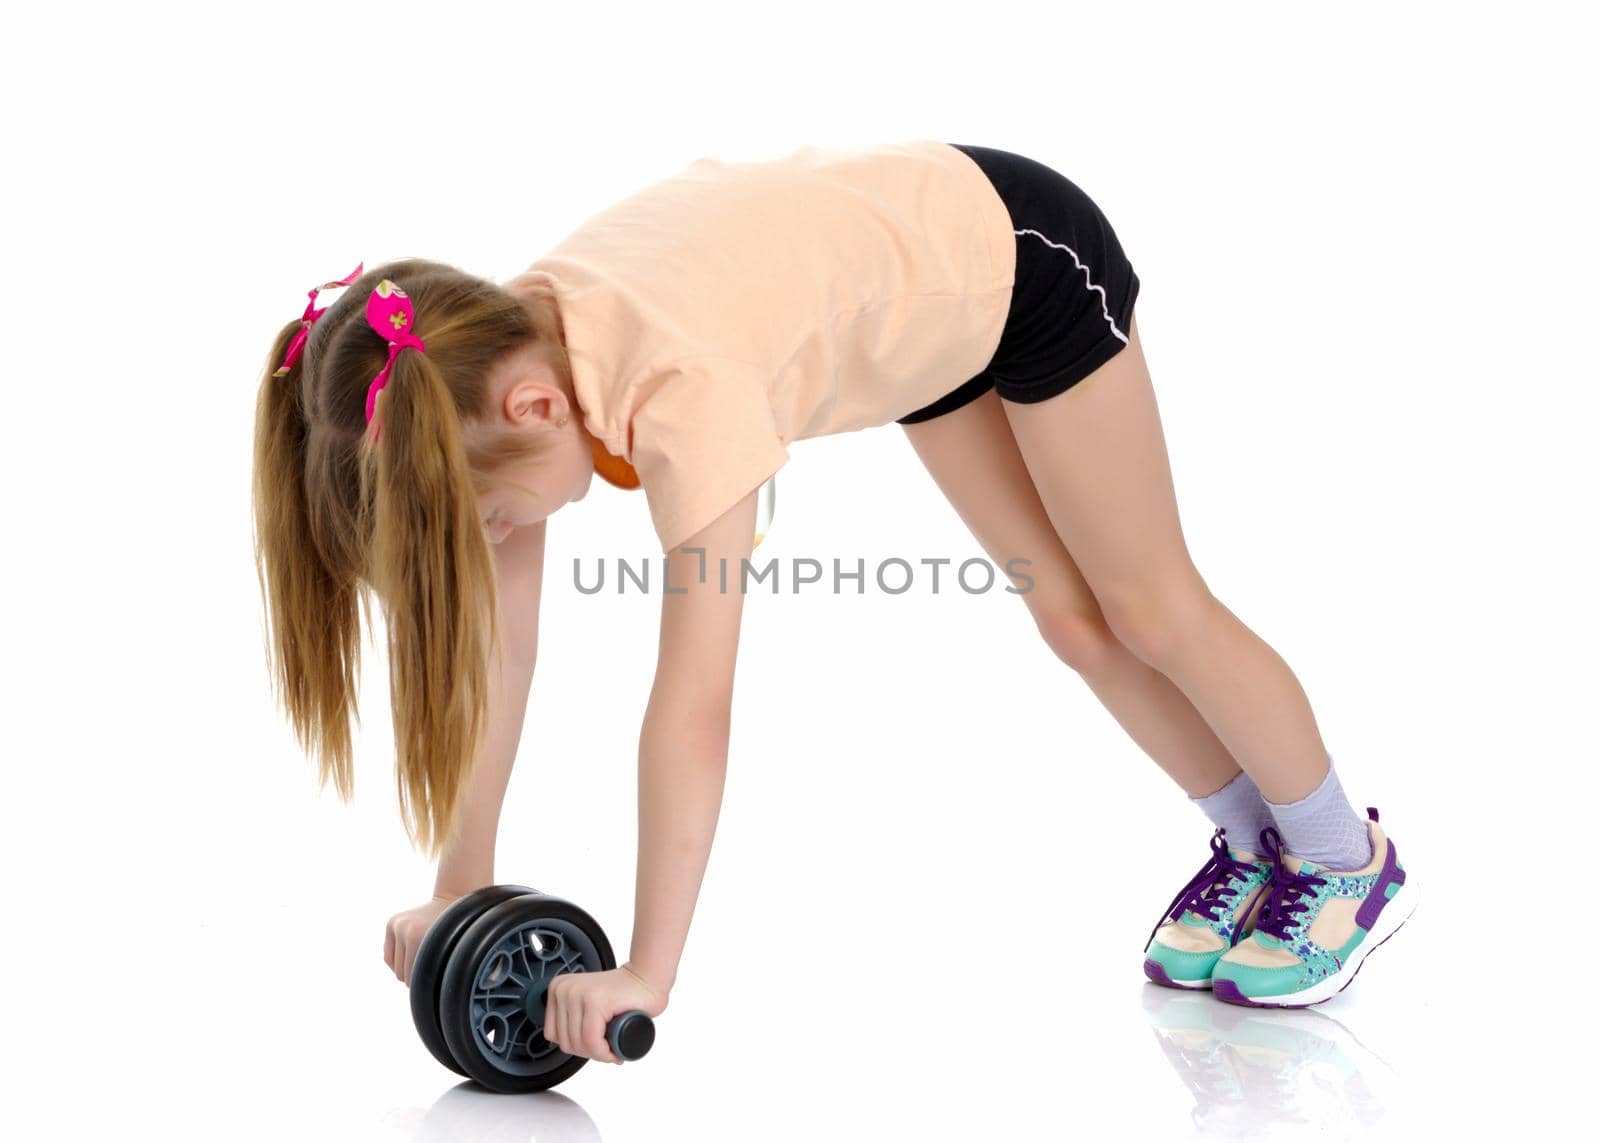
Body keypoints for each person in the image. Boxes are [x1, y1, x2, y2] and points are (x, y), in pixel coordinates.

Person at [251, 141, 1417, 1063]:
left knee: (1148, 605)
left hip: (1017, 255)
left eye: (498, 522)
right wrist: (460, 888)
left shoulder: (677, 392)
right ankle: (1254, 844)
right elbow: (499, 663)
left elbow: (693, 705)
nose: (509, 542)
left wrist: (648, 973)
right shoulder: (485, 372)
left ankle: (1340, 857)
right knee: (1070, 624)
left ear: (535, 414)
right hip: (929, 323)